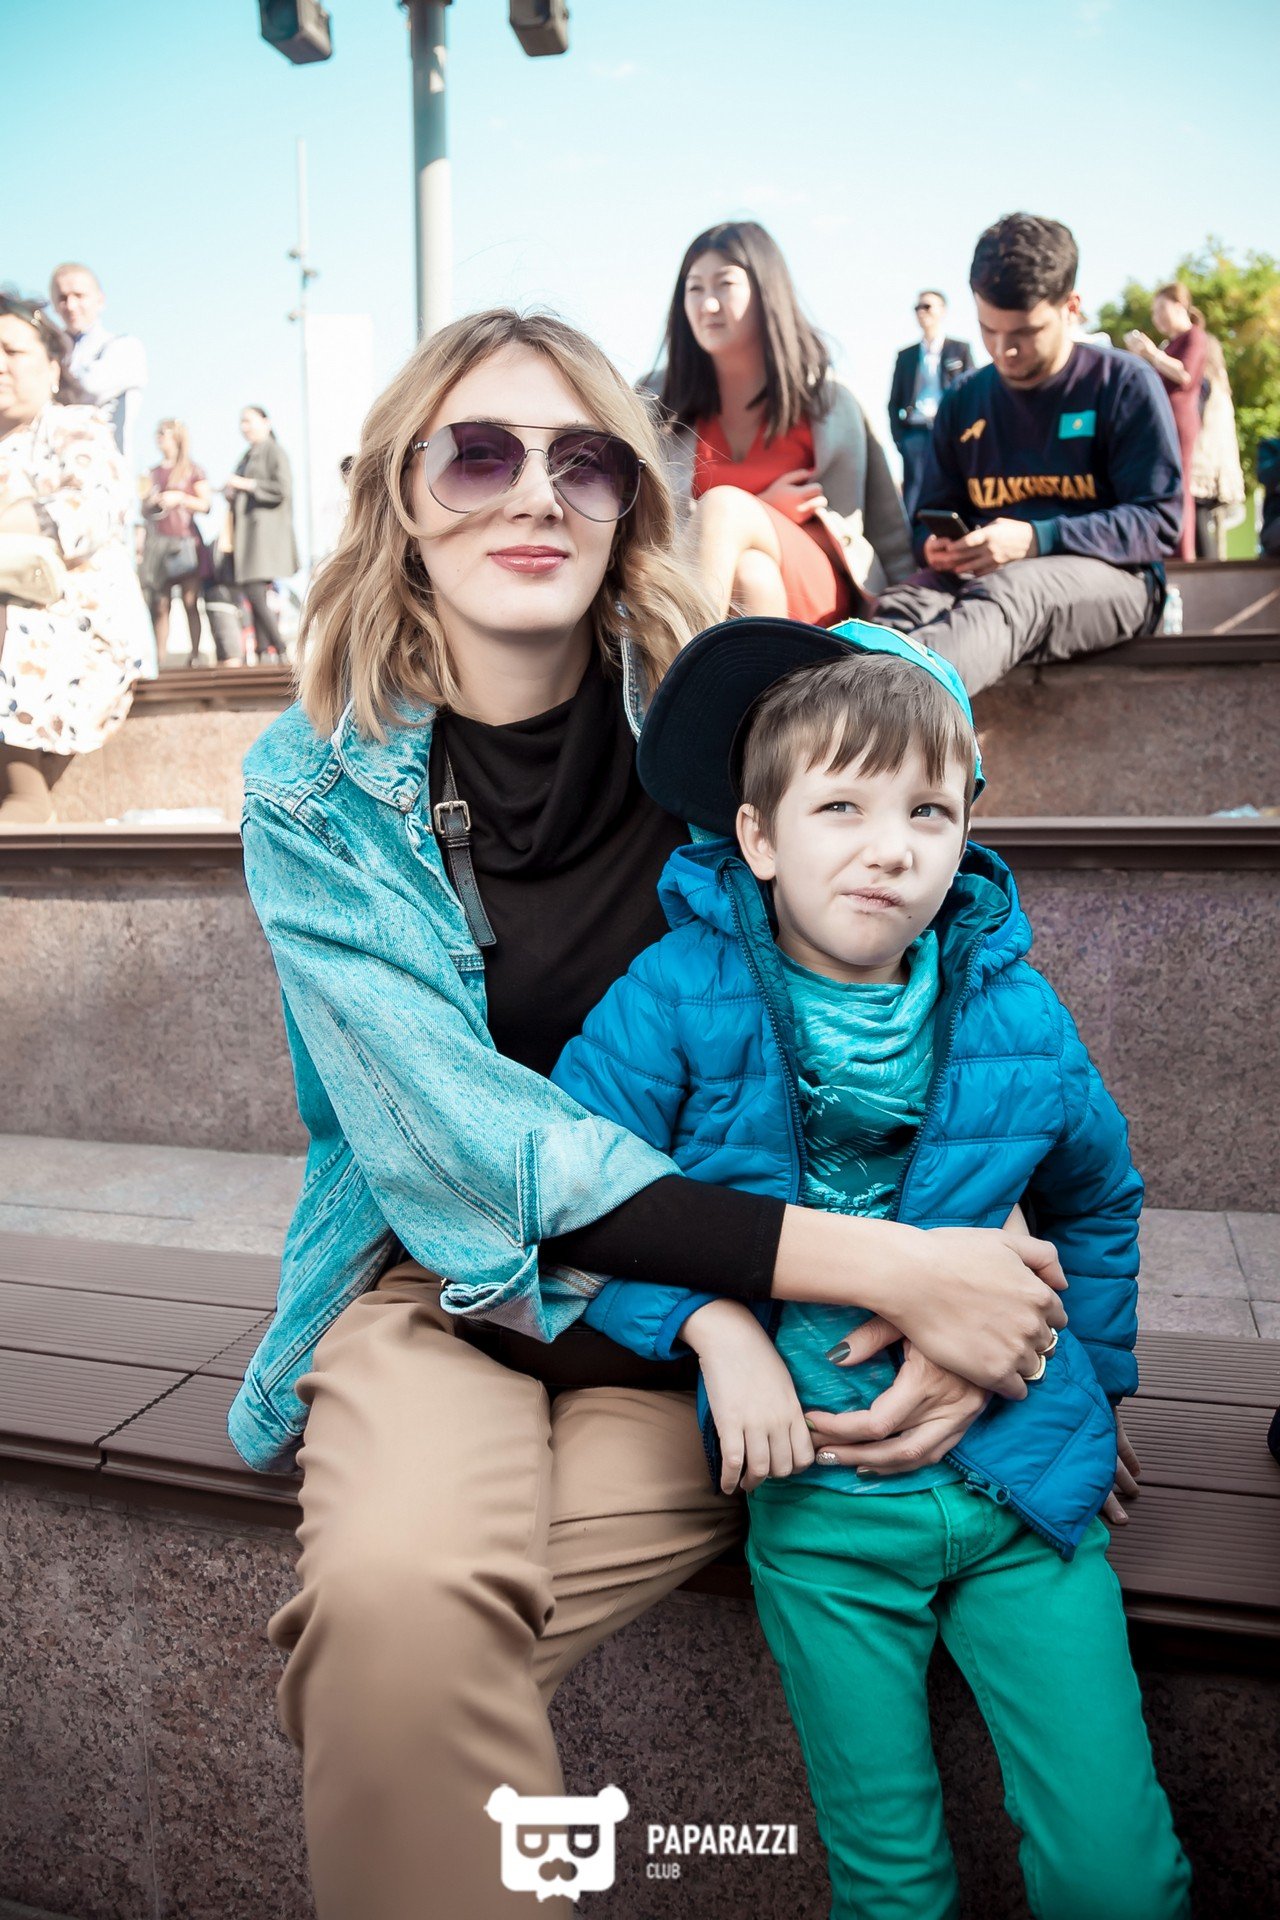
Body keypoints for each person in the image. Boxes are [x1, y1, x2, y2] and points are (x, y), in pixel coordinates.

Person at [229, 308, 1068, 1919]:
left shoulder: (725, 728)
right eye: (480, 454)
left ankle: (385, 1731)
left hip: (718, 1319)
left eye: (586, 462)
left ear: (632, 503)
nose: (533, 495)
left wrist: (989, 1250)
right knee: (398, 1604)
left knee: (394, 1665)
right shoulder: (311, 787)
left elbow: (925, 969)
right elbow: (465, 1139)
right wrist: (892, 1268)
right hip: (446, 1282)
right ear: (402, 492)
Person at [551, 618, 1191, 1920]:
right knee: (891, 1884)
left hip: (1025, 1497)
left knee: (1115, 1874)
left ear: (965, 833)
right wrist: (713, 1327)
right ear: (758, 836)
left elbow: (1097, 1192)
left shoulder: (1013, 1007)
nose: (890, 846)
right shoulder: (676, 996)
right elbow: (572, 1195)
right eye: (840, 806)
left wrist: (1102, 1383)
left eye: (927, 810)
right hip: (826, 1520)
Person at [872, 213, 1183, 694]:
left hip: (1119, 580)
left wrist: (1038, 538)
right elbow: (928, 515)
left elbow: (1158, 522)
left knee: (1013, 591)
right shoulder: (963, 399)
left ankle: (876, 709)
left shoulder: (1123, 384)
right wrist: (934, 546)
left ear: (1071, 307)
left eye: (1024, 332)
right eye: (988, 329)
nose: (1003, 350)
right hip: (977, 581)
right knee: (898, 609)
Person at [651, 220, 913, 623]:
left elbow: (887, 529)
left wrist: (911, 623)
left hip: (818, 580)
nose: (708, 304)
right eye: (695, 288)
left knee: (723, 507)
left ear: (765, 291)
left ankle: (671, 662)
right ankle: (718, 665)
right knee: (752, 575)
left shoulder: (831, 400)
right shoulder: (655, 399)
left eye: (724, 284)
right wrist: (764, 506)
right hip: (721, 583)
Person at [0, 292, 150, 821]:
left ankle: (25, 792)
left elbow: (95, 505)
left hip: (72, 616)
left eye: (12, 351)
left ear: (52, 369)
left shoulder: (74, 426)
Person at [1124, 284, 1208, 563]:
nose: (1157, 317)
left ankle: (1183, 553)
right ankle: (1167, 547)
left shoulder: (1194, 336)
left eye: (1161, 309)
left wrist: (1151, 354)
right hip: (1161, 421)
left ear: (1179, 306)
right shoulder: (1170, 344)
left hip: (1180, 422)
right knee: (1163, 483)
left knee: (1178, 483)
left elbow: (1184, 375)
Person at [48, 261, 148, 469]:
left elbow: (87, 388)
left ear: (100, 300)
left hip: (105, 470)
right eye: (62, 298)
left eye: (79, 295)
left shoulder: (125, 347)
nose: (71, 305)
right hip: (55, 469)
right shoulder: (51, 353)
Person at [888, 291, 973, 519]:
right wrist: (900, 439)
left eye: (927, 306)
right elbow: (894, 401)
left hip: (948, 429)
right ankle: (912, 538)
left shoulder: (960, 349)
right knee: (914, 493)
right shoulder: (906, 356)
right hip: (915, 432)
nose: (921, 312)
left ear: (942, 311)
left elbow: (971, 393)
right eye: (917, 308)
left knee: (952, 485)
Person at [224, 404, 297, 663]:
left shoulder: (274, 451)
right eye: (242, 422)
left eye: (249, 421)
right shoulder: (247, 455)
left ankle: (279, 647)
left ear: (266, 422)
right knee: (254, 591)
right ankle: (264, 651)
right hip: (250, 535)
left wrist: (246, 484)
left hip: (265, 536)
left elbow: (282, 489)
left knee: (253, 590)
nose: (244, 427)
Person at [140, 418, 212, 667]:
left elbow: (206, 505)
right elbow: (142, 511)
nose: (159, 438)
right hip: (158, 544)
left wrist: (180, 498)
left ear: (177, 438)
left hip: (186, 543)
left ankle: (195, 655)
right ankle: (159, 659)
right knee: (160, 604)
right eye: (158, 433)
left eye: (165, 433)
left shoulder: (193, 470)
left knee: (191, 602)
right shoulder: (150, 473)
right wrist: (151, 502)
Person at [1188, 334, 1245, 559]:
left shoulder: (1204, 383)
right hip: (1220, 465)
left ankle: (1205, 574)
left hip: (1202, 462)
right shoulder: (1222, 384)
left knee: (1198, 522)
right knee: (1202, 522)